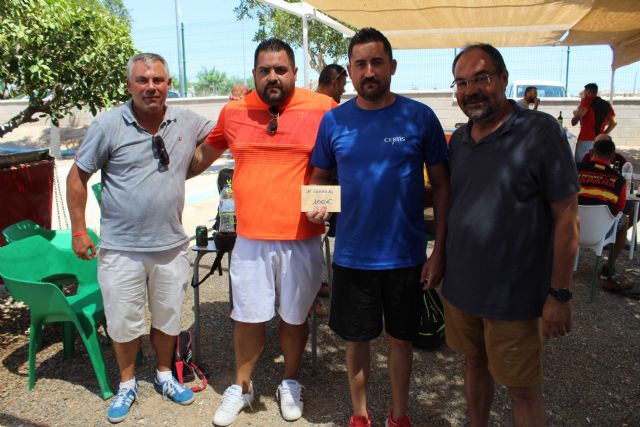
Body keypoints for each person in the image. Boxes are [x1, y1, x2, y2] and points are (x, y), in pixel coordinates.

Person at [187, 38, 336, 426]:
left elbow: (337, 159)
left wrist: (329, 203)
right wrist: (170, 174)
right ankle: (243, 386)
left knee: (294, 316)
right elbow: (206, 152)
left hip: (302, 237)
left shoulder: (323, 108)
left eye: (280, 69)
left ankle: (290, 381)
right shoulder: (234, 111)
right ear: (254, 74)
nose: (273, 76)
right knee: (248, 316)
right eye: (265, 70)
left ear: (294, 73)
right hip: (250, 237)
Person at [306, 27, 450, 427]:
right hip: (353, 255)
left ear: (392, 66)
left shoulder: (419, 117)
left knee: (401, 340)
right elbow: (318, 177)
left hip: (405, 255)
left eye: (376, 62)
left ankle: (399, 415)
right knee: (357, 339)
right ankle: (360, 415)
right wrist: (318, 208)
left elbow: (442, 186)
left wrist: (439, 251)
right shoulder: (334, 121)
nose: (369, 71)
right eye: (360, 64)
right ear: (349, 71)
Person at [66, 53, 214, 423]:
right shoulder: (109, 125)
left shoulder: (186, 119)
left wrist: (242, 101)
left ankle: (164, 374)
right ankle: (128, 382)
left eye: (159, 80)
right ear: (130, 85)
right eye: (144, 80)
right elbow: (77, 176)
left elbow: (225, 133)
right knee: (123, 321)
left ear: (168, 84)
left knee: (167, 318)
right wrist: (79, 229)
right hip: (120, 249)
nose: (152, 87)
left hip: (170, 246)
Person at [444, 44, 579, 426]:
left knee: (522, 389)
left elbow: (568, 214)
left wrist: (559, 294)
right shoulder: (460, 141)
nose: (471, 90)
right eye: (462, 82)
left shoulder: (540, 133)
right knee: (473, 365)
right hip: (462, 290)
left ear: (503, 79)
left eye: (481, 78)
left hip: (515, 297)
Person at [577, 134, 632, 291]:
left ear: (592, 151)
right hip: (600, 233)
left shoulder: (576, 169)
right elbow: (619, 209)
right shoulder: (619, 180)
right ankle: (608, 268)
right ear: (613, 157)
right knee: (625, 220)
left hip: (571, 228)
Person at [571, 83, 617, 162]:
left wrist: (575, 112)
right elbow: (614, 122)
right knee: (596, 164)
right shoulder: (606, 104)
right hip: (599, 141)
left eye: (584, 92)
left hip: (585, 140)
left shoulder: (587, 100)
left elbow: (582, 113)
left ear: (588, 91)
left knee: (580, 164)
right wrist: (605, 133)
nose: (583, 94)